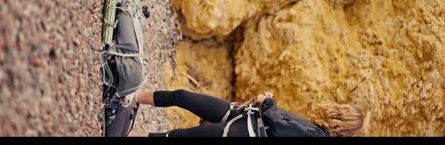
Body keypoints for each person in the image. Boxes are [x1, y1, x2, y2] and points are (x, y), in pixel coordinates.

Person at [124, 89, 363, 137]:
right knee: (183, 97)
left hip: (243, 130)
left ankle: (122, 133)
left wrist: (267, 102)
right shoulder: (317, 131)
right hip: (243, 116)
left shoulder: (316, 136)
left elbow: (281, 125)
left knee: (176, 137)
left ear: (339, 117)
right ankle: (131, 97)